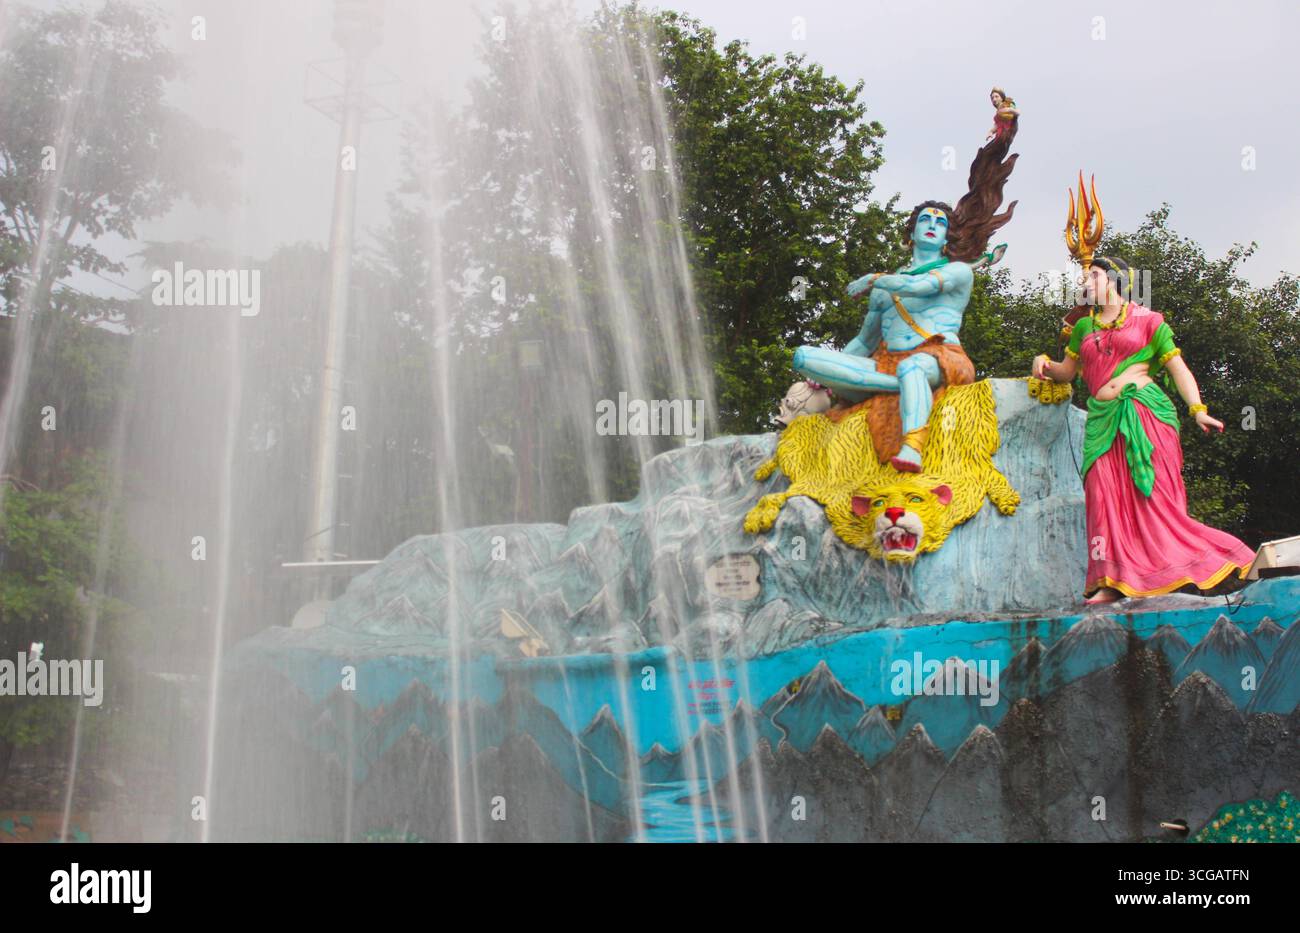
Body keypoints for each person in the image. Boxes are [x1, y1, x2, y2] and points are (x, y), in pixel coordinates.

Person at [1031, 256, 1254, 603]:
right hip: (1102, 420)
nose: (1085, 283)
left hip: (1145, 414)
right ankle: (1111, 581)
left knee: (1153, 499)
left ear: (1115, 280)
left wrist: (1198, 410)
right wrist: (1044, 364)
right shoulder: (1083, 328)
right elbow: (1068, 372)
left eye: (1093, 276)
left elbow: (1178, 368)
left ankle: (1197, 563)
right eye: (1083, 278)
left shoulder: (1148, 320)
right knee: (1103, 498)